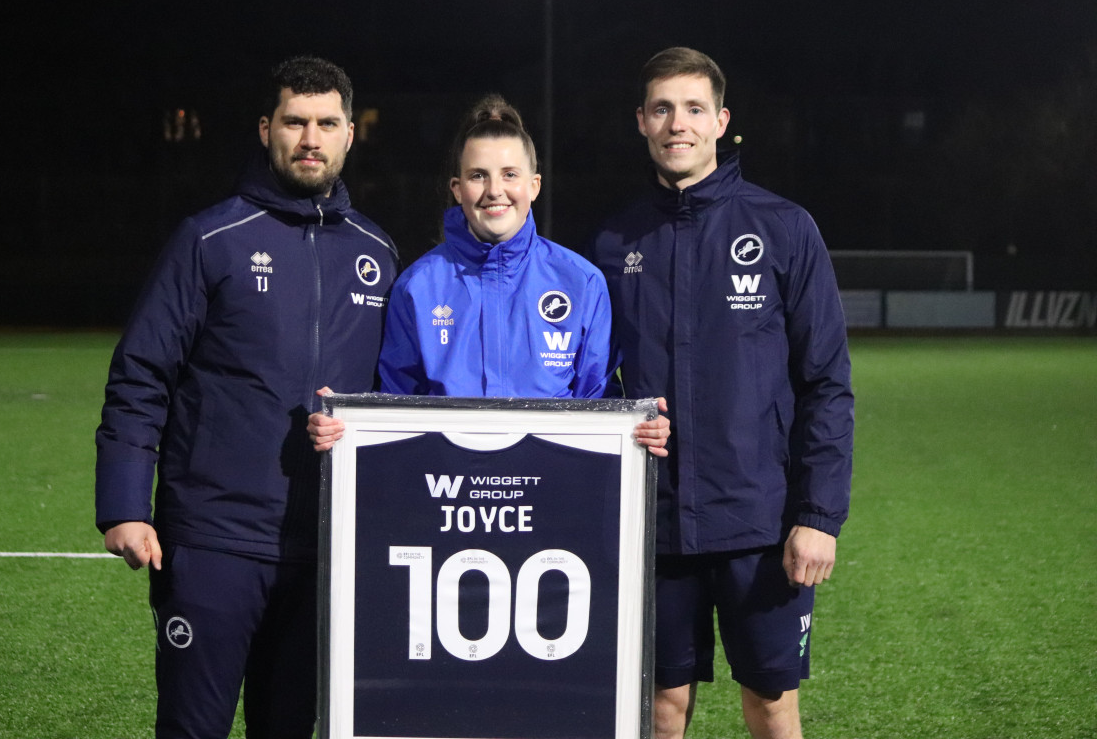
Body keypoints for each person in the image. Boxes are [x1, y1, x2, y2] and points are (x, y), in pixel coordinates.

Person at [95, 56, 398, 739]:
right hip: (212, 541)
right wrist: (122, 505)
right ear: (267, 130)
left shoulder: (376, 252)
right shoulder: (209, 239)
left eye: (326, 123)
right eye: (295, 122)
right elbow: (141, 372)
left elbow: (398, 397)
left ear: (351, 134)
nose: (310, 138)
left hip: (324, 548)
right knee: (192, 729)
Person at [591, 47, 854, 739]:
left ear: (721, 121)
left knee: (770, 702)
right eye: (663, 109)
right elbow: (590, 382)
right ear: (642, 122)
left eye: (694, 109)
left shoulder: (783, 228)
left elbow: (826, 382)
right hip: (657, 523)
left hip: (761, 523)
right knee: (659, 707)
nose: (678, 123)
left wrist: (819, 514)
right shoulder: (615, 241)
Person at [308, 95, 669, 454]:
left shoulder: (581, 282)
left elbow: (602, 410)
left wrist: (642, 429)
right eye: (478, 176)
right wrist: (342, 425)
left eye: (510, 175)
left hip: (550, 496)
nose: (495, 191)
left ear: (534, 185)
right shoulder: (417, 287)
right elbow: (391, 415)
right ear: (458, 189)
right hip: (445, 496)